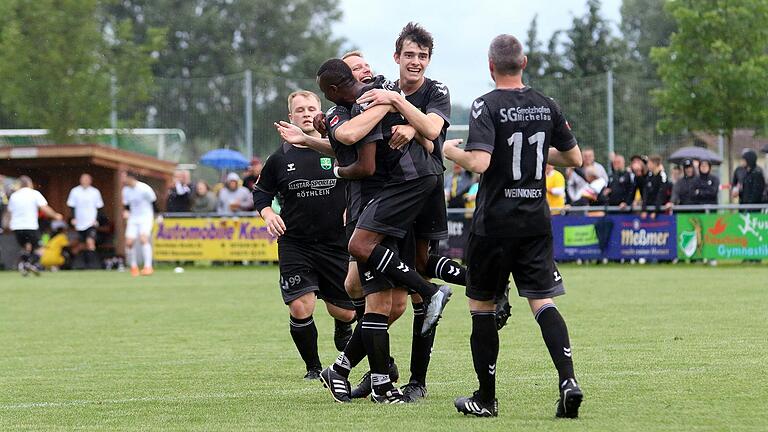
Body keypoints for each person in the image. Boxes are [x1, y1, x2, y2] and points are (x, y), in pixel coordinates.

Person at [443, 34, 584, 418]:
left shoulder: (485, 105)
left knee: (482, 306)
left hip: (494, 223)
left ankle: (486, 399)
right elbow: (574, 157)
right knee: (542, 299)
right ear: (524, 63)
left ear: (490, 67)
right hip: (535, 221)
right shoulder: (546, 104)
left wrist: (450, 150)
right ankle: (568, 380)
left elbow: (480, 163)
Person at [254, 90, 356, 381]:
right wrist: (269, 214)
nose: (307, 113)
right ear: (291, 117)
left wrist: (353, 208)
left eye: (312, 108)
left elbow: (362, 176)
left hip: (335, 242)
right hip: (295, 242)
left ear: (321, 112)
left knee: (346, 312)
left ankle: (343, 325)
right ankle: (313, 368)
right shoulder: (279, 158)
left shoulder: (339, 149)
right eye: (300, 110)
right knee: (301, 305)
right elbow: (261, 192)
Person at [7, 176, 63, 275]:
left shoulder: (14, 196)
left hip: (16, 227)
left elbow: (9, 213)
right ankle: (31, 264)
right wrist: (55, 215)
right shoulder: (34, 194)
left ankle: (24, 266)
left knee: (26, 247)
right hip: (30, 226)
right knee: (40, 248)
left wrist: (7, 225)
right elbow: (44, 208)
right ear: (29, 184)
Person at [122, 172, 159, 276]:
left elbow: (154, 203)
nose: (123, 180)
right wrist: (126, 212)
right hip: (133, 218)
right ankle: (134, 267)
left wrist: (157, 216)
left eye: (124, 177)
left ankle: (148, 267)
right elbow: (127, 205)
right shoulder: (125, 190)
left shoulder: (144, 188)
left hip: (145, 217)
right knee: (129, 242)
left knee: (143, 239)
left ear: (130, 178)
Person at [66, 173, 104, 269]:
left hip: (91, 222)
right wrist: (73, 218)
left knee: (90, 242)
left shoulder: (95, 192)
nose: (85, 181)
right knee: (81, 244)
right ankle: (81, 265)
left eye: (87, 179)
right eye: (83, 179)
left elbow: (99, 208)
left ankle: (93, 265)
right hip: (80, 223)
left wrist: (97, 220)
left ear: (90, 181)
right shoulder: (75, 191)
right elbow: (72, 206)